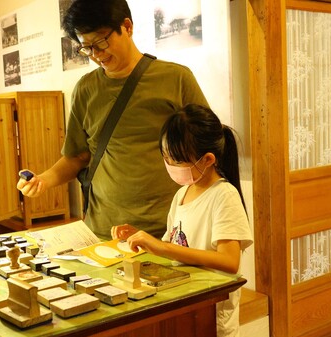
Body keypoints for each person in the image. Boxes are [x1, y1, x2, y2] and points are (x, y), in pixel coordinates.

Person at [16, 0, 208, 240]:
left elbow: (207, 147)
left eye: (101, 43)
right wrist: (43, 180)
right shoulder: (86, 89)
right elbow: (77, 156)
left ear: (127, 27)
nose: (96, 55)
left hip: (168, 229)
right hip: (105, 229)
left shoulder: (176, 79)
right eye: (87, 48)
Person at [111, 104, 253, 337]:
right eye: (166, 158)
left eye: (176, 160)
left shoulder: (224, 195)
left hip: (212, 310)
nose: (170, 166)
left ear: (207, 159)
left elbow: (229, 260)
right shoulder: (183, 194)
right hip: (186, 303)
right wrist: (140, 237)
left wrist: (163, 247)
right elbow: (174, 247)